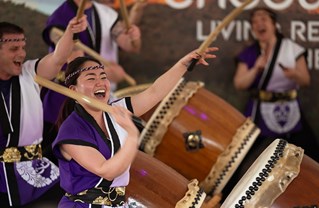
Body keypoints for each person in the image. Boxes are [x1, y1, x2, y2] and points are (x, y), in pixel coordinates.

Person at [52, 47, 218, 207]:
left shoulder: (116, 111)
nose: (100, 82)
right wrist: (132, 135)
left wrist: (183, 65)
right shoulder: (72, 130)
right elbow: (107, 170)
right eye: (91, 78)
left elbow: (154, 92)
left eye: (103, 76)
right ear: (74, 90)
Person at [0, 16, 87, 207]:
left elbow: (58, 58)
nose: (22, 54)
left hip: (37, 171)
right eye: (14, 49)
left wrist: (70, 33)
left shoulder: (30, 73)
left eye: (23, 48)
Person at [41, 0, 142, 158]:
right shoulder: (61, 17)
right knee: (63, 159)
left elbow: (131, 46)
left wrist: (133, 38)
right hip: (65, 99)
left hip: (96, 96)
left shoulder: (105, 13)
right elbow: (72, 60)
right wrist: (107, 73)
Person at [232, 7, 319, 180]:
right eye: (255, 21)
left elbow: (305, 80)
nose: (259, 24)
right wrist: (256, 68)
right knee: (238, 156)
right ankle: (224, 195)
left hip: (289, 108)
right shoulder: (250, 53)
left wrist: (294, 74)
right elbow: (239, 84)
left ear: (273, 24)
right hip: (259, 109)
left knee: (312, 150)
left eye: (263, 19)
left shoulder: (292, 49)